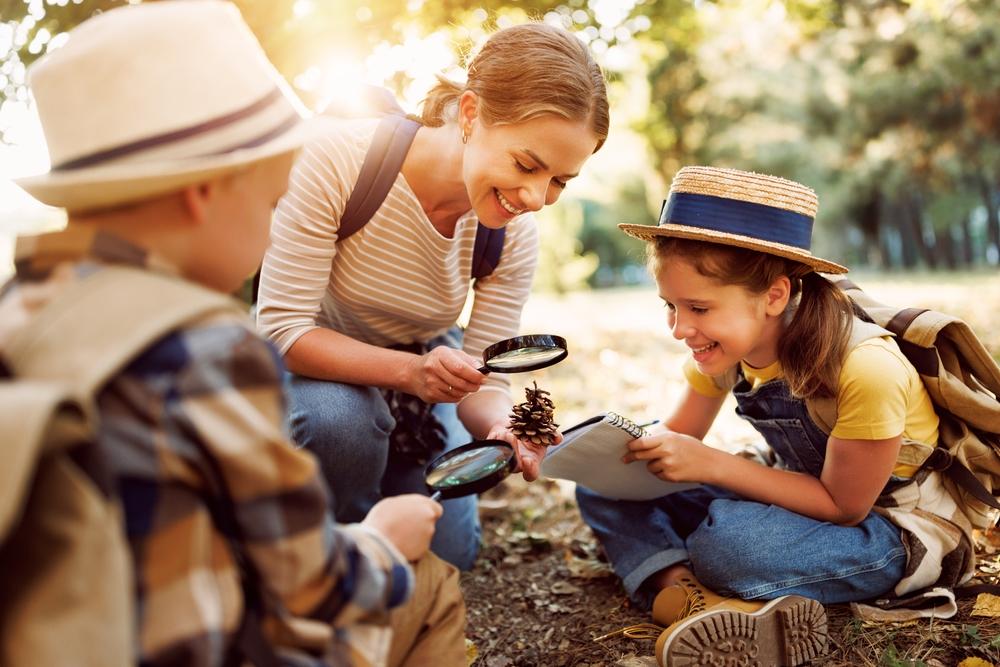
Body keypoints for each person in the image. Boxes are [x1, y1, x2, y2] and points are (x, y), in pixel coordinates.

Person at [3, 2, 465, 665]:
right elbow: (315, 582)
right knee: (430, 580)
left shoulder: (21, 310)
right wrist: (382, 540)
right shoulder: (206, 350)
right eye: (274, 200)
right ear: (204, 193)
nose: (279, 223)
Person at [580, 166, 974, 666]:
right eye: (670, 306)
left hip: (887, 531)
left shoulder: (866, 368)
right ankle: (688, 597)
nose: (680, 329)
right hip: (795, 499)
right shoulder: (725, 349)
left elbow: (843, 506)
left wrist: (712, 465)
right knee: (605, 486)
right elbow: (677, 437)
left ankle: (692, 572)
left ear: (774, 295)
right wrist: (593, 449)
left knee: (727, 544)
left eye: (698, 308)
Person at [256, 21, 610, 570]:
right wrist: (410, 373)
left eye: (561, 180)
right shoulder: (339, 159)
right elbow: (282, 332)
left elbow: (486, 378)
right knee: (340, 422)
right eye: (526, 164)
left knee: (446, 557)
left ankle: (366, 514)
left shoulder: (511, 232)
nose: (538, 197)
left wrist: (499, 426)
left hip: (423, 364)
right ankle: (335, 552)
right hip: (313, 367)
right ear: (470, 114)